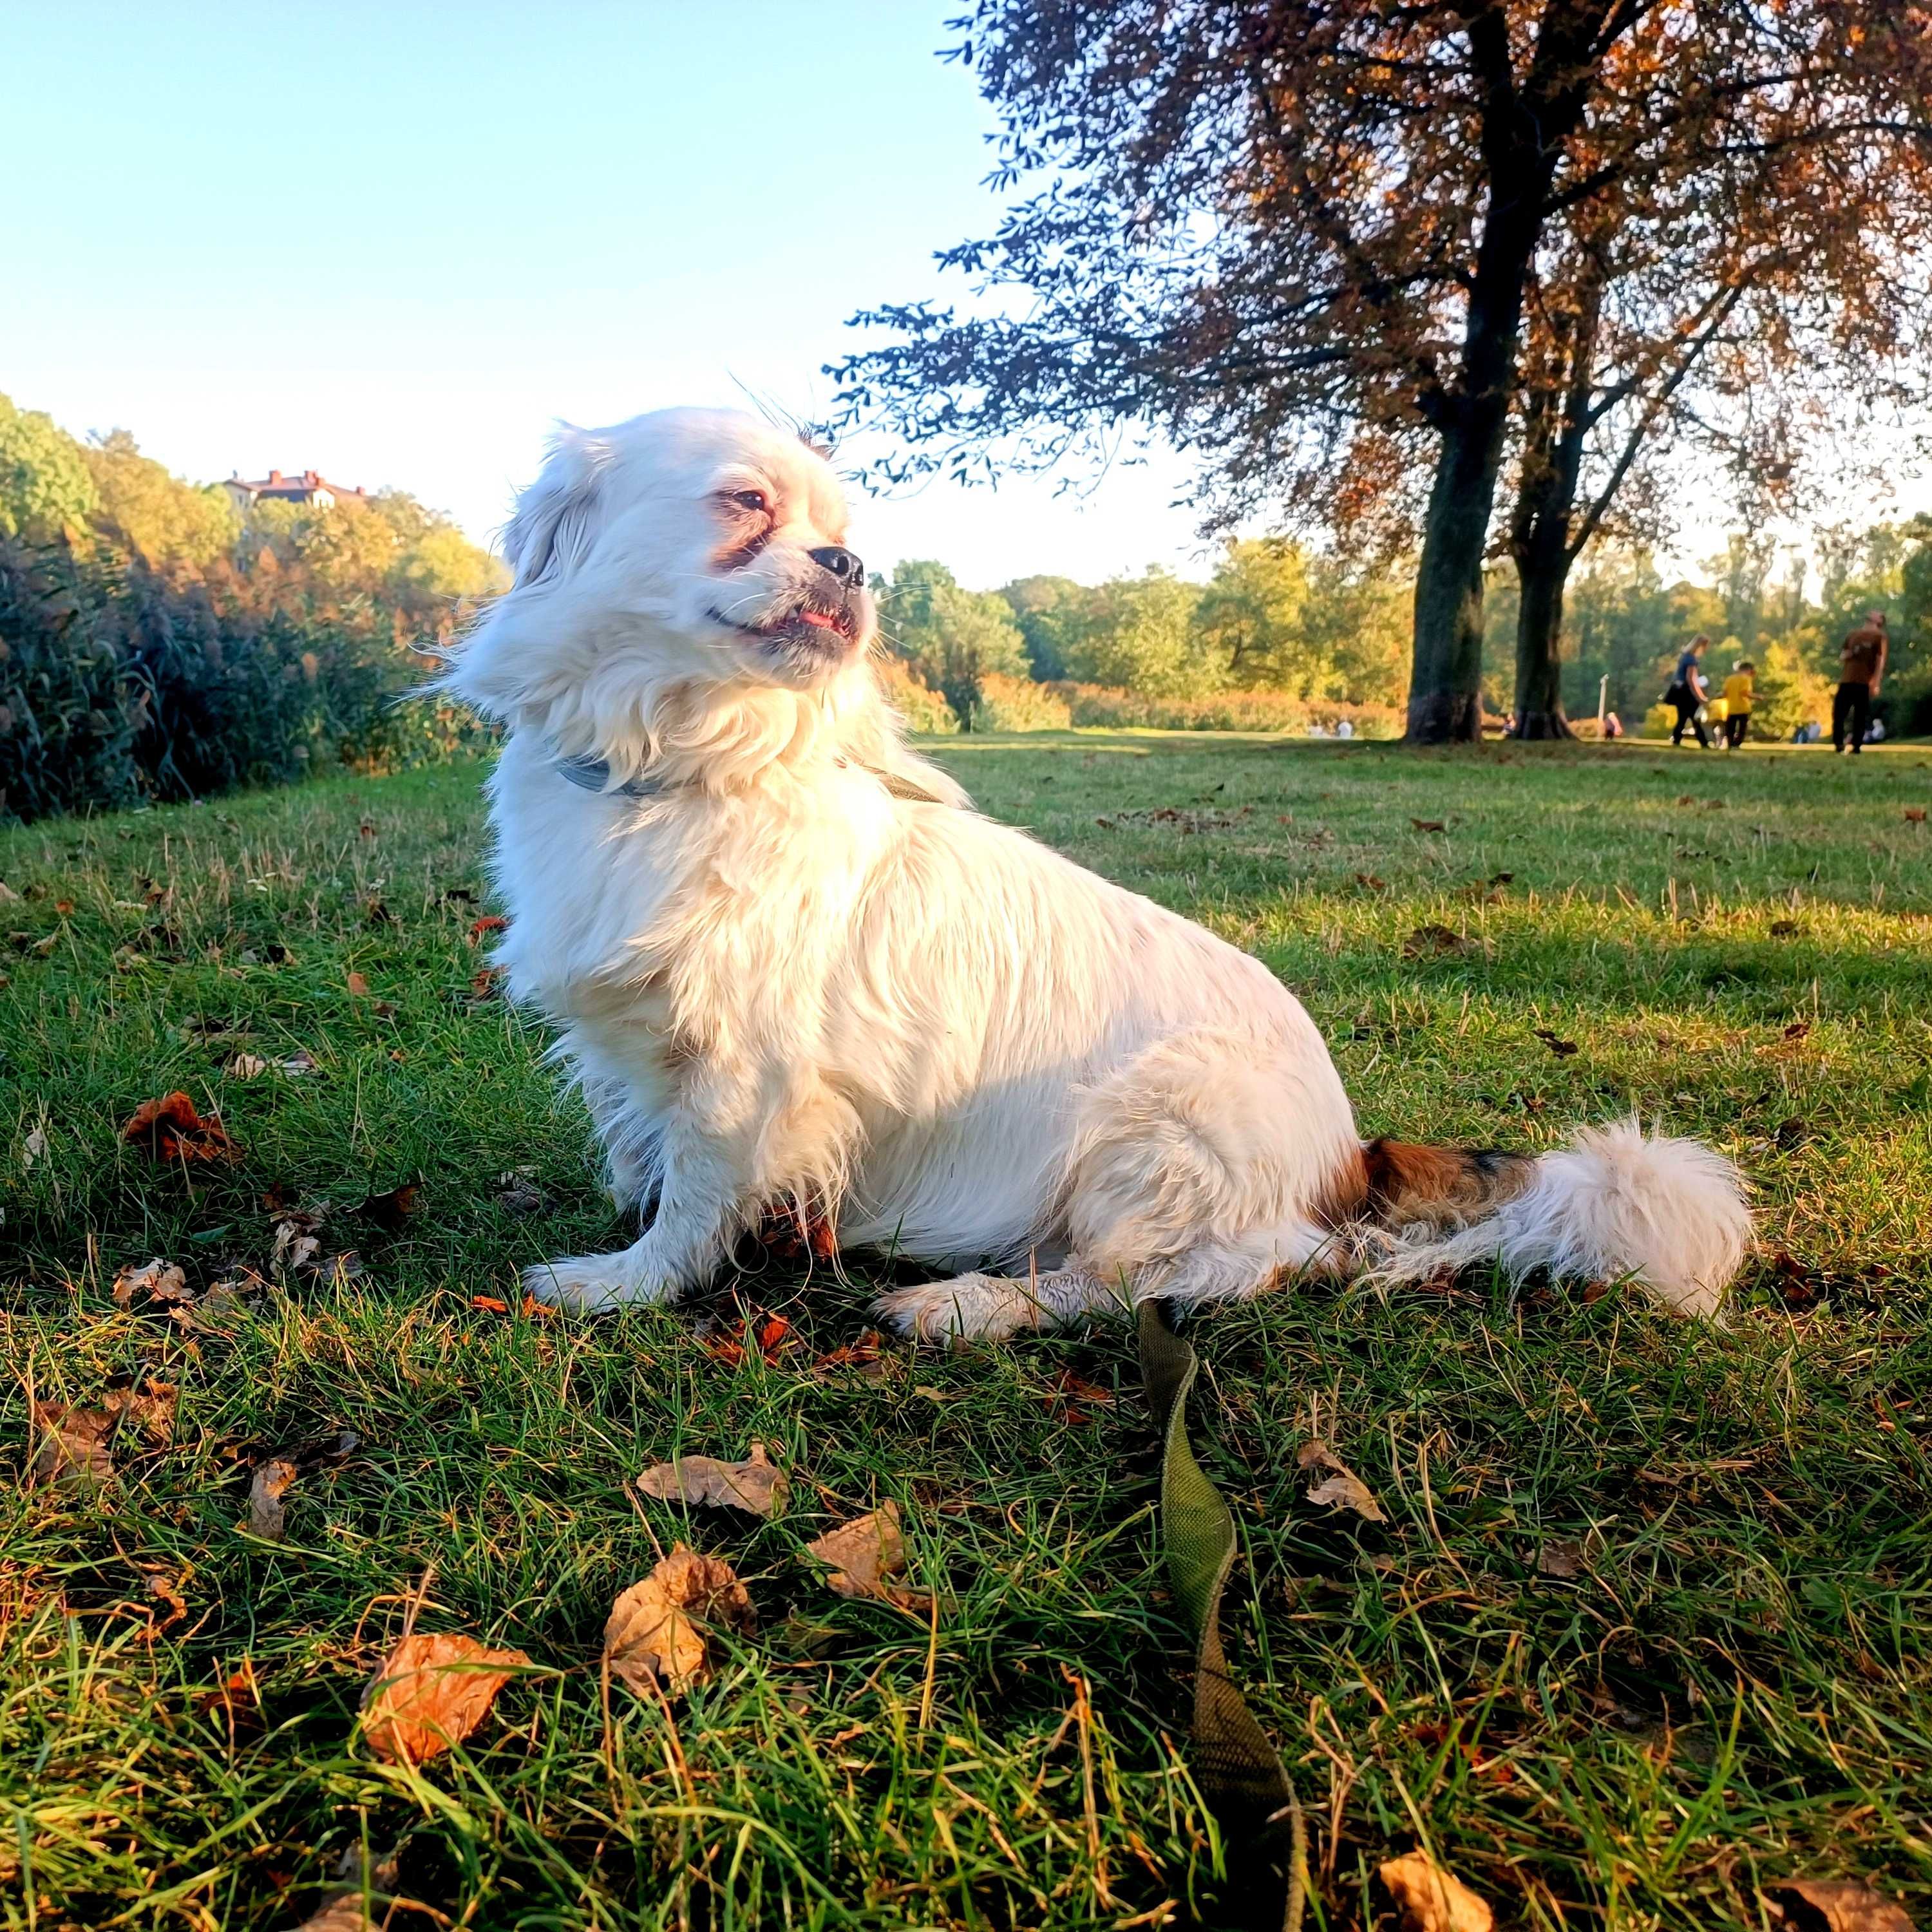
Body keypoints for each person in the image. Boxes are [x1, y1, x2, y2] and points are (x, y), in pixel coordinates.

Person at [1833, 611, 1888, 754]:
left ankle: (1856, 746)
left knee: (1860, 716)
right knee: (1839, 713)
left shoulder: (1879, 637)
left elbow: (1880, 662)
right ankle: (1838, 744)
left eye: (1877, 613)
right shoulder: (1853, 634)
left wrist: (1876, 683)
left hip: (1863, 683)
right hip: (1846, 680)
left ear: (1880, 621)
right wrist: (1847, 655)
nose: (1872, 613)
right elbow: (1842, 655)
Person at [1665, 635, 1712, 748]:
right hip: (1686, 693)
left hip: (1678, 691)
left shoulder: (1685, 657)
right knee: (1694, 717)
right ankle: (1703, 742)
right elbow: (1692, 680)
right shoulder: (1691, 659)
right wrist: (1700, 697)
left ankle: (1677, 740)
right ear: (1701, 646)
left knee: (1683, 717)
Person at [1721, 660, 1754, 749]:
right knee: (1742, 729)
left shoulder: (1729, 679)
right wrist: (1758, 697)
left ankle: (1730, 743)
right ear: (1748, 670)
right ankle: (1737, 743)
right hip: (1743, 708)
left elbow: (1724, 694)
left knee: (1730, 728)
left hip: (1730, 708)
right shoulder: (1746, 679)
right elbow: (1744, 692)